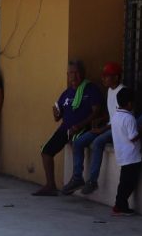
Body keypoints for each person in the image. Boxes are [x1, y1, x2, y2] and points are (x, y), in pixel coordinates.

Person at [33, 60, 103, 196]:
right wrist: (55, 113)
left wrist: (80, 125)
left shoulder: (91, 89)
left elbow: (96, 112)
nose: (74, 76)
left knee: (76, 142)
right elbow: (57, 117)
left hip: (83, 128)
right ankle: (50, 185)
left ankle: (77, 179)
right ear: (67, 75)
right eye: (71, 73)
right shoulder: (67, 93)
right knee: (46, 151)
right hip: (65, 128)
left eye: (76, 72)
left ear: (83, 73)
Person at [66, 62, 124, 195]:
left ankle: (92, 181)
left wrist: (102, 130)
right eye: (103, 76)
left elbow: (122, 120)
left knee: (98, 142)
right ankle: (77, 177)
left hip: (118, 129)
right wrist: (101, 120)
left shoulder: (122, 91)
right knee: (78, 142)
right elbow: (112, 115)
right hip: (109, 126)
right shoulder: (110, 90)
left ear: (116, 77)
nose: (103, 78)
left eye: (107, 76)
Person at [110, 88, 142, 216]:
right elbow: (133, 137)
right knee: (129, 183)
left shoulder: (116, 116)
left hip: (122, 155)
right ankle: (121, 205)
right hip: (132, 156)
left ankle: (119, 204)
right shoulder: (129, 118)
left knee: (124, 181)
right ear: (129, 104)